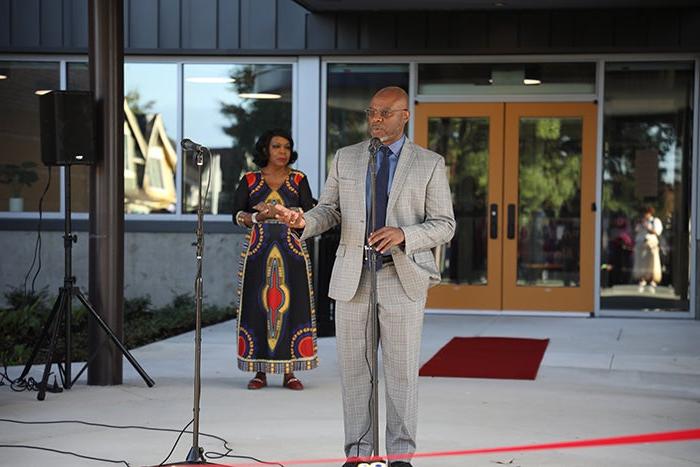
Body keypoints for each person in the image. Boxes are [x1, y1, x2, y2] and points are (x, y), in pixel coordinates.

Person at [275, 87, 455, 467]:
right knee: (356, 373)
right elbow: (329, 211)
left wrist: (405, 235)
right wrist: (302, 221)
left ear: (405, 116)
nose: (375, 119)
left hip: (401, 278)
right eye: (371, 112)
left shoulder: (429, 163)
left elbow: (445, 224)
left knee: (402, 373)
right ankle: (357, 453)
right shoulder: (347, 158)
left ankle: (400, 456)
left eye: (385, 113)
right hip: (352, 279)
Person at [232, 128, 318, 390]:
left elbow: (311, 213)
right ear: (265, 150)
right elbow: (236, 215)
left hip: (292, 254)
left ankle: (289, 373)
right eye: (276, 147)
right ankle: (259, 372)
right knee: (257, 309)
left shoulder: (299, 179)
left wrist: (280, 212)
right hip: (257, 254)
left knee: (294, 308)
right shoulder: (249, 180)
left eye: (287, 147)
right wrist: (259, 217)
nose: (283, 152)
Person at [633, 206, 663, 293]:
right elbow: (636, 231)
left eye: (646, 213)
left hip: (651, 244)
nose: (644, 215)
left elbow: (657, 232)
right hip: (641, 245)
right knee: (641, 262)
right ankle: (642, 279)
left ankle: (653, 279)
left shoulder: (655, 221)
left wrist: (647, 227)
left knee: (653, 263)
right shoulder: (640, 221)